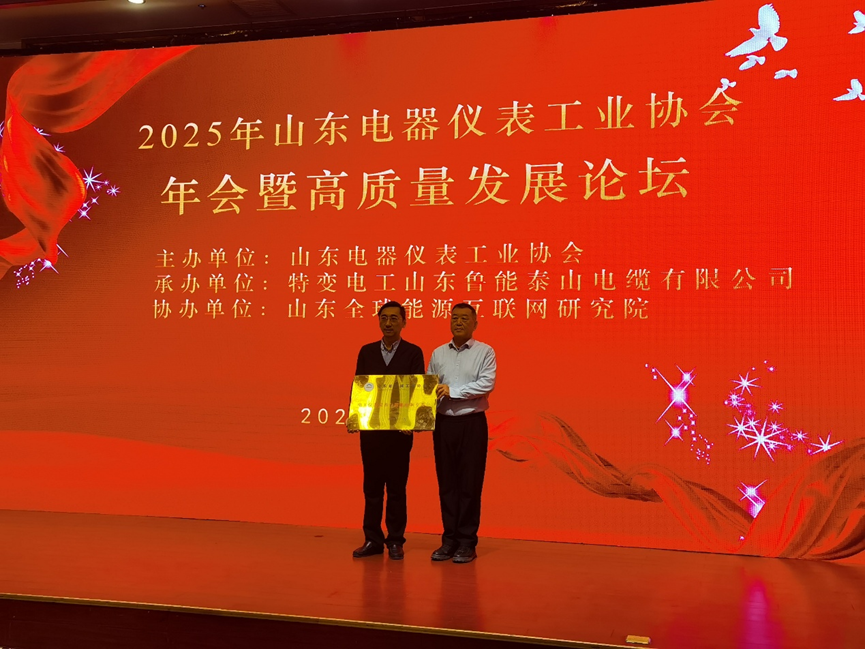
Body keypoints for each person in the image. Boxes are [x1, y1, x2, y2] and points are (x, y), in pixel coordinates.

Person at [349, 301, 425, 561]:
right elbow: (360, 385)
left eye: (394, 318)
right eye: (384, 318)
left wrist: (411, 420)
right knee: (371, 488)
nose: (389, 323)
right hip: (372, 432)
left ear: (404, 322)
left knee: (396, 488)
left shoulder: (413, 352)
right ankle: (372, 539)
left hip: (399, 434)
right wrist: (355, 416)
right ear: (378, 321)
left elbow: (417, 389)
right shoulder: (367, 351)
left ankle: (395, 540)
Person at [427, 303, 496, 564]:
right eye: (454, 318)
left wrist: (452, 391)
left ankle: (467, 542)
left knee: (470, 484)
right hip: (444, 424)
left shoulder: (485, 351)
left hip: (472, 423)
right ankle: (449, 540)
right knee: (447, 484)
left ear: (475, 323)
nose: (458, 322)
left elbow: (486, 383)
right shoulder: (438, 353)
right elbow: (429, 386)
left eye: (465, 318)